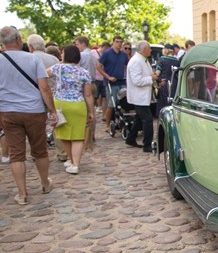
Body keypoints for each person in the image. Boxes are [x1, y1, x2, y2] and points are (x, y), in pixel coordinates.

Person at [0, 26, 57, 205]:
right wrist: (53, 110)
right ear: (18, 39)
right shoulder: (33, 59)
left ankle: (22, 193)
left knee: (16, 154)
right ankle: (44, 183)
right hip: (34, 110)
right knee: (39, 150)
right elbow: (44, 88)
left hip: (9, 111)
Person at [50, 45, 94, 175]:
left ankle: (71, 159)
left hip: (61, 104)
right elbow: (88, 94)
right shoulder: (84, 72)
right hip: (78, 104)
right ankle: (75, 163)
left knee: (64, 134)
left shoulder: (58, 68)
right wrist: (91, 111)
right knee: (78, 135)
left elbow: (42, 75)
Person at [126, 40, 157, 152]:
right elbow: (137, 81)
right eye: (149, 48)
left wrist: (154, 78)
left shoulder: (143, 60)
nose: (151, 50)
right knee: (148, 120)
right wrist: (151, 79)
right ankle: (147, 144)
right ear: (144, 49)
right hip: (139, 96)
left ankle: (130, 138)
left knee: (139, 119)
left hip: (143, 95)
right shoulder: (136, 61)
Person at [97, 36, 128, 132]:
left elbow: (127, 66)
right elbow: (98, 66)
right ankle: (107, 125)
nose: (119, 44)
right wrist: (108, 77)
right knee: (111, 104)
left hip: (122, 81)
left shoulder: (123, 54)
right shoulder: (107, 54)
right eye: (117, 42)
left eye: (120, 42)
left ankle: (122, 122)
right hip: (111, 83)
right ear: (113, 42)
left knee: (123, 103)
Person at [154, 44, 178, 118]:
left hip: (164, 85)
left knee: (163, 106)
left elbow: (157, 73)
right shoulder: (177, 61)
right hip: (175, 85)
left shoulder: (162, 59)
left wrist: (157, 80)